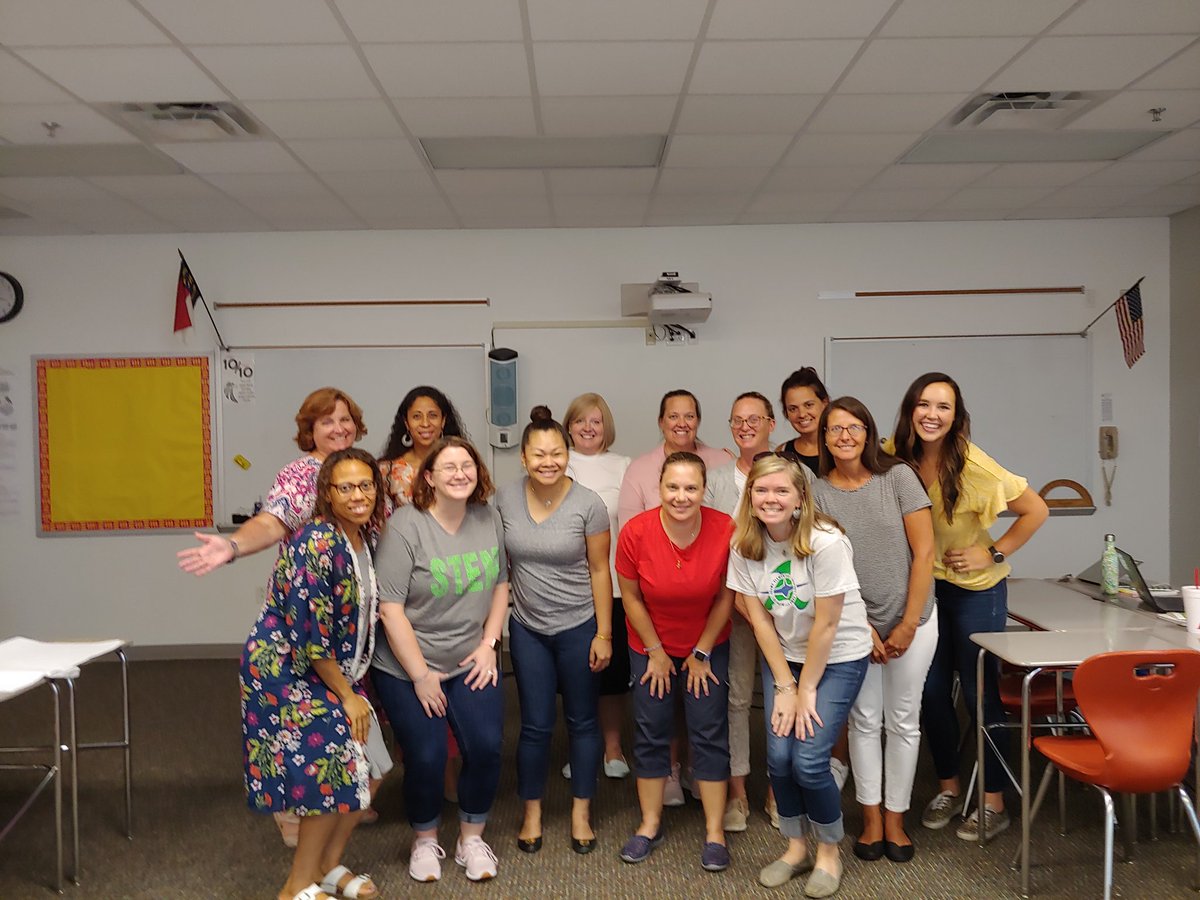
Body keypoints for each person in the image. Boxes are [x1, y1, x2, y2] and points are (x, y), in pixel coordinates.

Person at [179, 386, 372, 846]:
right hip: (301, 624)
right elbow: (272, 521)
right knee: (295, 724)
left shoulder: (362, 470)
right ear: (310, 430)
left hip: (348, 624)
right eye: (327, 421)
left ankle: (339, 801)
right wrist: (232, 546)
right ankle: (295, 815)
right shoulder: (301, 475)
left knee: (338, 722)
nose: (338, 428)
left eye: (345, 419)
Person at [889, 373, 1048, 842]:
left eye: (943, 406)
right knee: (931, 692)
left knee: (981, 696)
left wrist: (993, 552)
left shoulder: (975, 465)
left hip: (975, 591)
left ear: (956, 416)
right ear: (910, 409)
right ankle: (949, 788)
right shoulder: (894, 456)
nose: (931, 414)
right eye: (923, 404)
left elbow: (1037, 510)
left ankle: (994, 802)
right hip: (924, 588)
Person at [239, 448, 389, 900]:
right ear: (327, 493)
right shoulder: (317, 542)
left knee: (374, 765)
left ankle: (327, 866)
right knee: (332, 769)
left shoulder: (362, 537)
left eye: (366, 485)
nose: (358, 495)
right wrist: (347, 695)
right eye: (346, 487)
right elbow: (312, 637)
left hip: (331, 671)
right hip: (289, 671)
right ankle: (296, 885)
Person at [728, 454, 871, 897]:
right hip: (786, 658)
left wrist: (805, 688)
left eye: (781, 490)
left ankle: (829, 852)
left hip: (839, 656)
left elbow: (827, 625)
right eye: (761, 490)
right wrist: (786, 685)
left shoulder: (826, 542)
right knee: (779, 758)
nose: (770, 499)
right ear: (750, 497)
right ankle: (796, 849)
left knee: (808, 760)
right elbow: (759, 620)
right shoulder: (745, 544)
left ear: (800, 498)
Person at [371, 436, 509, 883]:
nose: (459, 474)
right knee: (427, 755)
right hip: (408, 666)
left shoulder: (488, 517)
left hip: (470, 658)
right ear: (428, 477)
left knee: (486, 746)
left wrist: (489, 644)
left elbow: (501, 585)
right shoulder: (405, 527)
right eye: (448, 467)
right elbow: (390, 609)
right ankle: (425, 839)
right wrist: (420, 675)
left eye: (467, 465)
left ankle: (471, 838)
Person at [812, 397, 936, 864]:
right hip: (852, 626)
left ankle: (896, 819)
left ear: (868, 432)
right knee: (864, 721)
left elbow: (924, 553)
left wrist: (907, 624)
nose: (845, 436)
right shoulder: (818, 492)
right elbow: (819, 567)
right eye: (835, 429)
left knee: (903, 721)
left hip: (913, 620)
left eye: (854, 427)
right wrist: (861, 627)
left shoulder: (898, 477)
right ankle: (870, 819)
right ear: (824, 439)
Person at [497, 406, 613, 855]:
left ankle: (582, 811)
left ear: (568, 455)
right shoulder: (505, 499)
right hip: (528, 629)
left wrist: (604, 633)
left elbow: (600, 570)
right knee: (534, 725)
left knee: (583, 721)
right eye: (539, 454)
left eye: (557, 453)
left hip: (579, 625)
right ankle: (532, 812)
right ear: (523, 458)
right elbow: (499, 564)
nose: (549, 462)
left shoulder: (589, 504)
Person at [615, 452, 734, 872]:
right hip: (650, 644)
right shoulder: (635, 532)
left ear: (704, 491)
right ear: (659, 488)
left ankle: (715, 832)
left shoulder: (725, 529)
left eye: (690, 488)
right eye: (672, 487)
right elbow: (630, 597)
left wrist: (701, 652)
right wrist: (656, 651)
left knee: (709, 730)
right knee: (651, 729)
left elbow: (727, 596)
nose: (681, 496)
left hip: (707, 643)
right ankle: (649, 824)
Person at [703, 391, 794, 833]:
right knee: (736, 698)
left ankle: (779, 791)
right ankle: (737, 793)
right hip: (735, 606)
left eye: (754, 419)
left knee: (782, 696)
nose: (745, 427)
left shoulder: (791, 474)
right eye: (737, 420)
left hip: (788, 609)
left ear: (771, 424)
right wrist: (739, 603)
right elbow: (710, 546)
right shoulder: (718, 480)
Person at [564, 392, 633, 780]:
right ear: (568, 426)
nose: (588, 428)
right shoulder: (558, 462)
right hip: (569, 590)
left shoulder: (623, 466)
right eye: (580, 421)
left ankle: (612, 748)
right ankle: (580, 748)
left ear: (607, 427)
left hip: (614, 587)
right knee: (577, 675)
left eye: (596, 421)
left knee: (612, 674)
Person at [378, 386, 467, 507]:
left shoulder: (463, 465)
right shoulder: (387, 469)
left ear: (443, 421)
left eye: (432, 415)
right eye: (417, 416)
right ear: (406, 423)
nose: (425, 423)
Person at [777, 367, 831, 476]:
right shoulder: (782, 453)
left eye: (809, 405)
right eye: (793, 409)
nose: (802, 414)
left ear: (825, 403)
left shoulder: (841, 447)